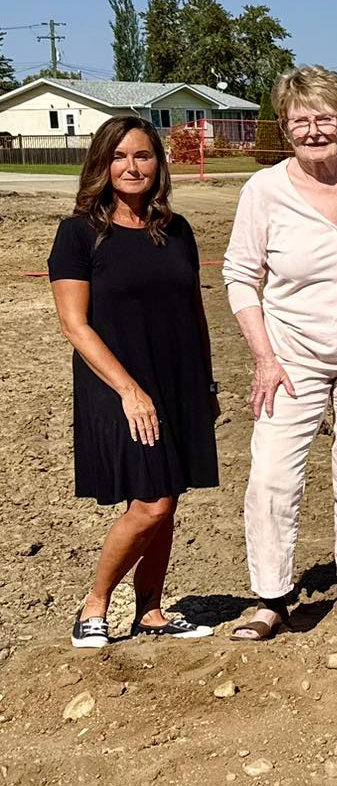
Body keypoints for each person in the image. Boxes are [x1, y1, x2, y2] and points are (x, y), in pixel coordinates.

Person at [222, 65, 337, 640]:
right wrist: (263, 358)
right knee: (273, 476)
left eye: (324, 118)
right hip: (291, 360)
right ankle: (271, 595)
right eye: (299, 121)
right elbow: (239, 275)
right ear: (285, 126)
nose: (313, 131)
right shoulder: (265, 192)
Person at [50, 116, 219, 648]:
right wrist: (129, 390)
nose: (132, 167)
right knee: (152, 503)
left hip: (177, 379)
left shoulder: (178, 230)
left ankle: (151, 610)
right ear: (101, 165)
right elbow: (74, 323)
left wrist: (206, 386)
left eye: (143, 156)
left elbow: (195, 313)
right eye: (119, 157)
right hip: (118, 386)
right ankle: (95, 603)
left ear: (158, 164)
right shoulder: (79, 233)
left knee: (167, 495)